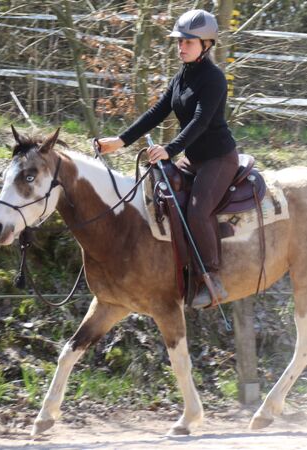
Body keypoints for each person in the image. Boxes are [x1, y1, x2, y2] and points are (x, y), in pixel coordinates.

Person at [97, 9, 237, 309]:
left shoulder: (214, 79)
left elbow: (200, 122)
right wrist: (120, 141)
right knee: (158, 193)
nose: (181, 47)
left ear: (206, 44)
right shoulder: (181, 77)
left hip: (219, 159)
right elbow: (156, 112)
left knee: (198, 211)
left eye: (188, 42)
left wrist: (170, 149)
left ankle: (211, 278)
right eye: (179, 41)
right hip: (194, 159)